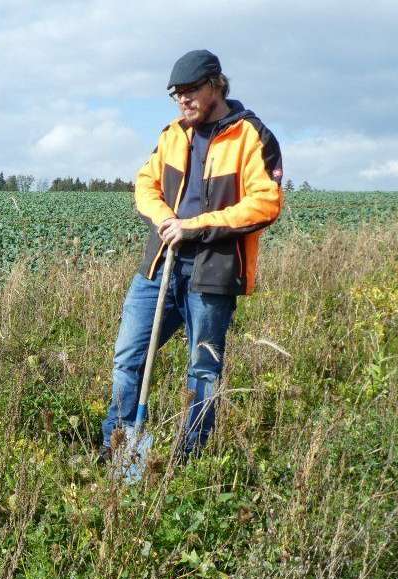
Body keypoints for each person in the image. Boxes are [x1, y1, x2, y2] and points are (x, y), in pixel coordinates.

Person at [100, 50, 283, 463]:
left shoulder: (251, 136)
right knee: (129, 356)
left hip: (213, 272)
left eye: (190, 91)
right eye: (177, 94)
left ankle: (189, 461)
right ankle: (119, 450)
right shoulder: (172, 134)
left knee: (203, 370)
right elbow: (145, 185)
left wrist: (195, 225)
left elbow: (265, 203)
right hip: (160, 265)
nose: (183, 101)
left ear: (216, 84)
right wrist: (166, 219)